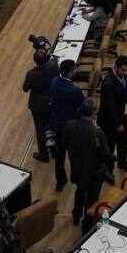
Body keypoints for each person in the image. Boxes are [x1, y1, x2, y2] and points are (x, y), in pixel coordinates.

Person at [64, 98, 112, 233]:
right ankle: (86, 226)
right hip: (93, 173)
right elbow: (104, 153)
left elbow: (65, 144)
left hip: (77, 168)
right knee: (92, 199)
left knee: (79, 191)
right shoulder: (97, 132)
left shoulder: (69, 126)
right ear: (94, 113)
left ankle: (76, 216)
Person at [50, 60, 86, 191]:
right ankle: (77, 180)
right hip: (71, 128)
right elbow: (84, 105)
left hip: (57, 124)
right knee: (74, 156)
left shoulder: (54, 81)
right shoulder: (74, 90)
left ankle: (60, 181)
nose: (76, 71)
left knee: (59, 157)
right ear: (70, 72)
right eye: (74, 69)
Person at [98, 56, 127, 174]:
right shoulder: (108, 84)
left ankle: (122, 163)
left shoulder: (123, 76)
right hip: (110, 121)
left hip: (123, 115)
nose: (125, 73)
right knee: (110, 146)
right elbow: (109, 107)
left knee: (123, 143)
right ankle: (108, 171)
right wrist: (117, 124)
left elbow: (126, 91)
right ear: (116, 67)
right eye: (123, 70)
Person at [23, 48, 59, 162]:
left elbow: (25, 89)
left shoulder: (31, 74)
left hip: (38, 106)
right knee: (54, 126)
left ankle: (44, 154)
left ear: (35, 61)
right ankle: (56, 150)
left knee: (40, 130)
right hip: (52, 102)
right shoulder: (54, 66)